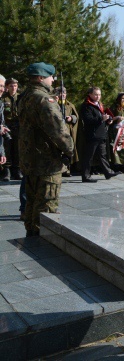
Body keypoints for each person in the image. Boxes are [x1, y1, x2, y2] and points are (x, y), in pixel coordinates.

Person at [18, 63, 74, 237]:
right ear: (41, 78)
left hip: (30, 158)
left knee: (32, 200)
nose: (52, 80)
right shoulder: (44, 100)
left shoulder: (24, 96)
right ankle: (41, 240)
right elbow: (59, 131)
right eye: (51, 77)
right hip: (47, 162)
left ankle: (31, 234)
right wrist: (70, 149)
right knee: (46, 205)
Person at [80, 87, 120, 183]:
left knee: (103, 155)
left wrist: (108, 120)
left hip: (101, 134)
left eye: (99, 94)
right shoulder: (86, 106)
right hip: (92, 135)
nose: (98, 97)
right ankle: (86, 176)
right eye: (96, 94)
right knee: (89, 156)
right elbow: (88, 120)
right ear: (90, 94)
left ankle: (108, 172)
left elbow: (102, 119)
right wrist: (102, 118)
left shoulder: (99, 105)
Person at [55, 87, 80, 176]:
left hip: (68, 130)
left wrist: (71, 118)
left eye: (64, 93)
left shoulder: (69, 105)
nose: (63, 95)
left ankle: (67, 169)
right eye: (60, 93)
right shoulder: (54, 103)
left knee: (68, 150)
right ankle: (59, 169)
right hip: (57, 131)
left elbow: (76, 117)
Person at [1, 77, 21, 180]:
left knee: (17, 149)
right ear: (7, 87)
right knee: (7, 148)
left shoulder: (20, 98)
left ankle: (17, 170)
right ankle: (6, 171)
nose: (13, 88)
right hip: (7, 126)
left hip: (18, 126)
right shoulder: (3, 98)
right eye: (11, 86)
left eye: (15, 86)